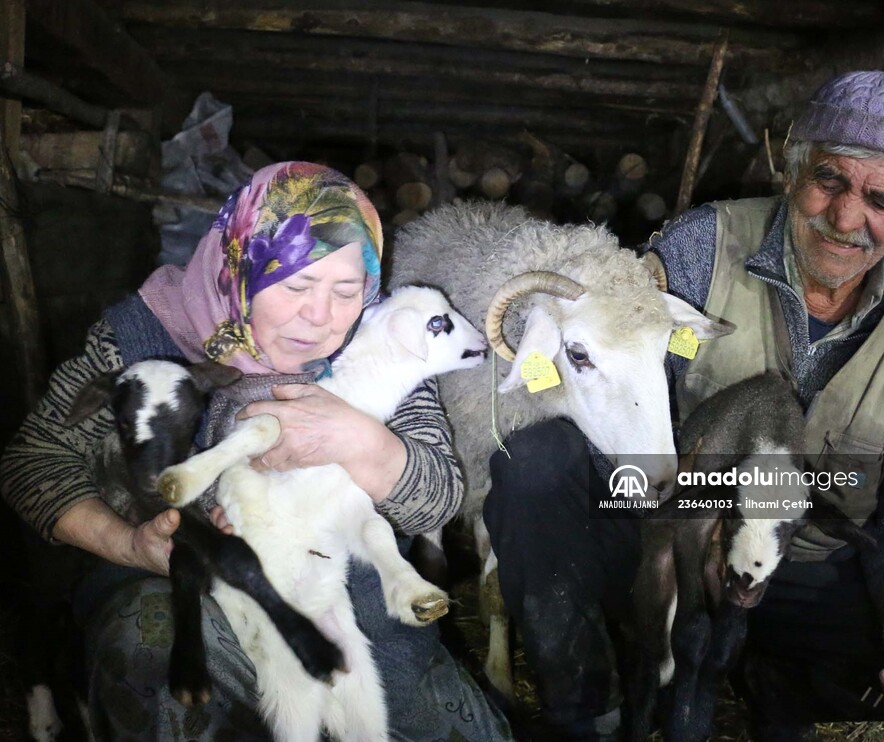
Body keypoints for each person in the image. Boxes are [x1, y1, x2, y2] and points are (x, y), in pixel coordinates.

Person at [483, 70, 884, 741]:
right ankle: (584, 707)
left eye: (882, 199)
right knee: (536, 462)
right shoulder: (701, 247)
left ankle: (764, 668)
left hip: (807, 568)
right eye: (829, 179)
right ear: (792, 169)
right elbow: (605, 367)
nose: (843, 217)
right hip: (671, 536)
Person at [1, 162, 511, 741]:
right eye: (294, 285)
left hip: (342, 586)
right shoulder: (140, 337)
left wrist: (359, 438)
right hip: (181, 590)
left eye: (346, 291)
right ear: (238, 267)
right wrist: (128, 543)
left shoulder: (386, 340)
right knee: (161, 666)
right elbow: (31, 461)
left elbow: (439, 500)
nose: (320, 317)